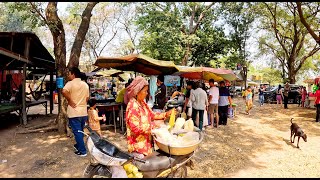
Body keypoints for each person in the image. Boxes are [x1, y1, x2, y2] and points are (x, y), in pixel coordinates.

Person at [125, 76, 175, 156]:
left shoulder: (142, 103)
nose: (147, 93)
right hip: (138, 147)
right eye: (145, 91)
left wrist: (166, 114)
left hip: (147, 144)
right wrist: (154, 125)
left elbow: (152, 114)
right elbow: (135, 128)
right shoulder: (132, 106)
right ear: (137, 92)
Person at [62, 67, 89, 157]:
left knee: (77, 132)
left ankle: (82, 151)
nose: (68, 75)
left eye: (69, 73)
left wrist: (69, 100)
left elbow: (64, 91)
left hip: (74, 113)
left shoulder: (70, 83)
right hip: (83, 112)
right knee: (80, 131)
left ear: (73, 74)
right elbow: (87, 98)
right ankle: (78, 145)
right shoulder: (85, 85)